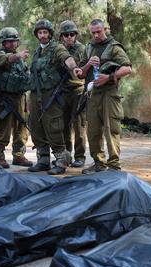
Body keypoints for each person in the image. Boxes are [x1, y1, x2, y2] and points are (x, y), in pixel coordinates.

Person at [75, 19, 132, 174]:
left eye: (99, 31)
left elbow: (127, 68)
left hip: (109, 93)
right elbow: (80, 73)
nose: (96, 35)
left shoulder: (114, 47)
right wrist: (88, 64)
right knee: (93, 131)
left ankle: (114, 165)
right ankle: (98, 163)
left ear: (104, 29)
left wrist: (109, 77)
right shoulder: (88, 47)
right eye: (93, 32)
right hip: (92, 94)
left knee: (110, 128)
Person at [27, 19, 80, 175]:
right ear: (37, 35)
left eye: (45, 32)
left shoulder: (57, 48)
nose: (43, 35)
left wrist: (75, 67)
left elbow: (67, 58)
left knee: (54, 127)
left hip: (52, 95)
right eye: (40, 32)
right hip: (36, 94)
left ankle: (62, 160)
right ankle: (43, 160)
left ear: (50, 34)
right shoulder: (37, 52)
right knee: (36, 127)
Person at [0, 27, 33, 168]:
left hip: (20, 96)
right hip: (5, 98)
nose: (13, 44)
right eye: (9, 41)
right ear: (3, 42)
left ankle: (19, 155)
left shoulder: (20, 58)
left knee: (21, 128)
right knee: (3, 129)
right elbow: (4, 60)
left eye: (15, 41)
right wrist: (18, 56)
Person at [59, 20, 88, 168]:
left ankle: (80, 156)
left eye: (72, 34)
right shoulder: (58, 50)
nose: (69, 37)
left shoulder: (83, 49)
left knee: (79, 125)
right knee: (63, 125)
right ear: (62, 36)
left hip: (78, 90)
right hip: (62, 92)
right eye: (66, 35)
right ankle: (66, 155)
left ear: (75, 35)